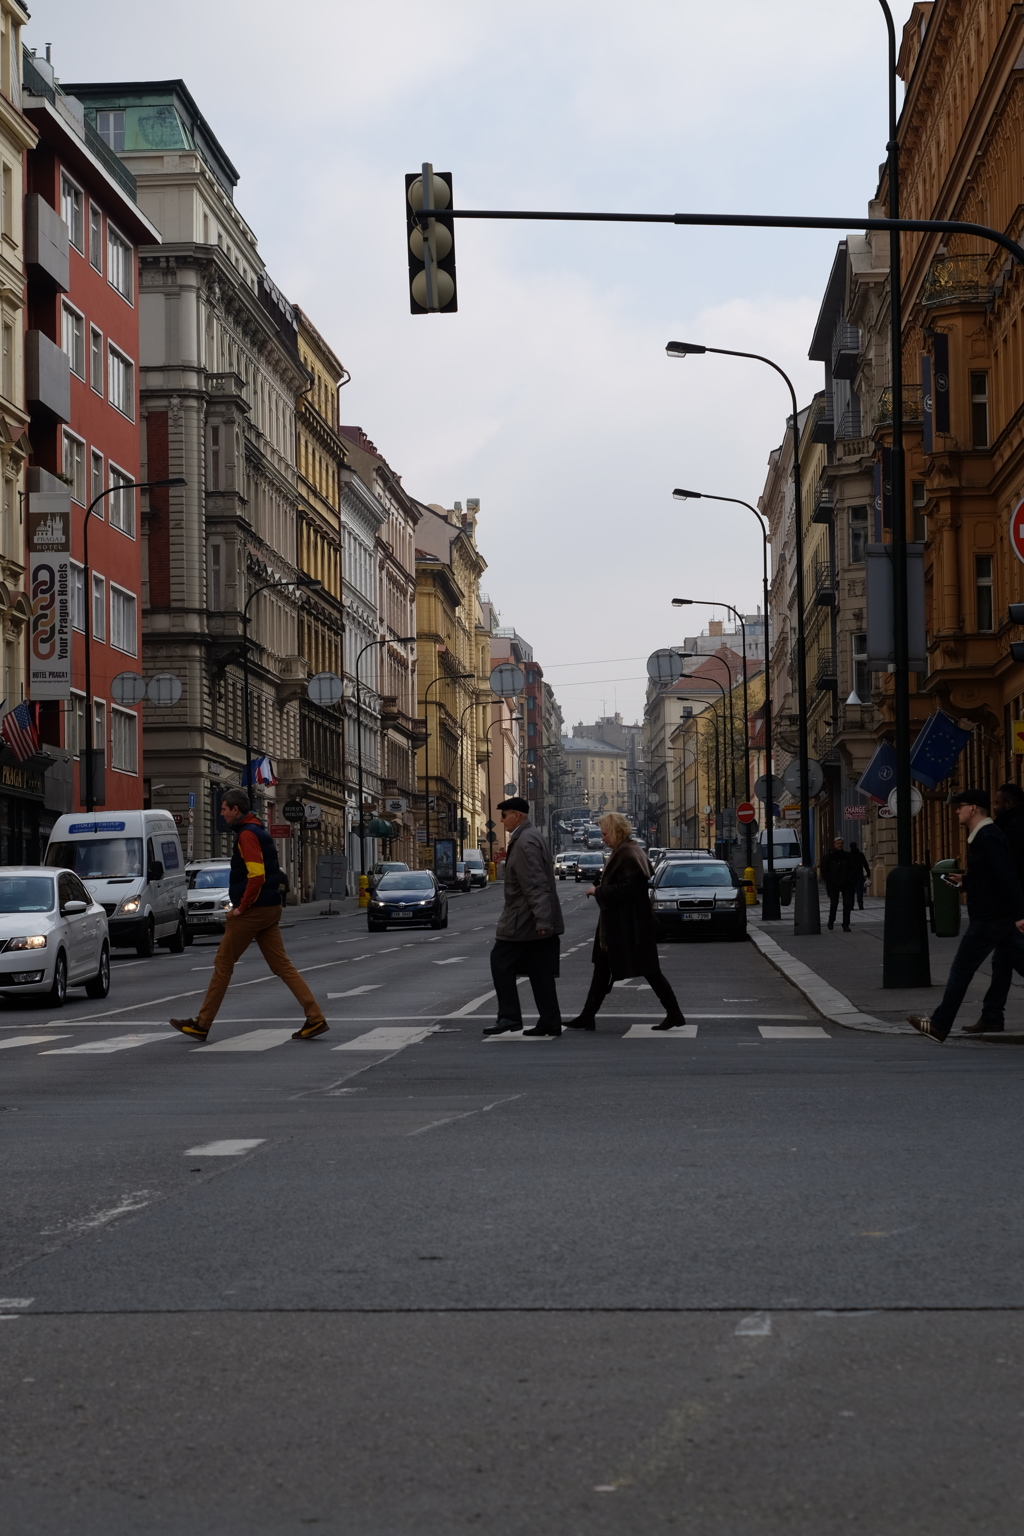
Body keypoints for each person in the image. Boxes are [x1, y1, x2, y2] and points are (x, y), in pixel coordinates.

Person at [170, 789, 328, 1043]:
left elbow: (256, 876)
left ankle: (202, 1023)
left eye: (224, 808)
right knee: (282, 966)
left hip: (253, 911)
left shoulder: (246, 835)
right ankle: (315, 1017)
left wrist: (241, 908)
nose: (221, 813)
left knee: (223, 965)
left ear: (235, 810)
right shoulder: (258, 830)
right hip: (270, 907)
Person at [908, 788, 1024, 1042]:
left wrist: (1019, 914)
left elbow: (1007, 875)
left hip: (990, 919)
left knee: (961, 969)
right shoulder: (982, 835)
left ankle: (939, 1025)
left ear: (973, 808)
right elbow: (991, 875)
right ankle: (983, 1018)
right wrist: (966, 880)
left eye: (960, 806)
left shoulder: (988, 835)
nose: (957, 811)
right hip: (999, 919)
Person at [566, 811, 685, 1032]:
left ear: (614, 831)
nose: (602, 838)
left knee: (650, 970)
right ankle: (587, 1015)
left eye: (604, 834)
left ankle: (675, 1013)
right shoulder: (624, 851)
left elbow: (629, 888)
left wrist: (598, 891)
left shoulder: (628, 853)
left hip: (630, 925)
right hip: (619, 924)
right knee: (602, 969)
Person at [485, 797, 564, 1038]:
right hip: (533, 918)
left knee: (500, 961)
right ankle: (550, 1021)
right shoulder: (528, 837)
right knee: (540, 972)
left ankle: (509, 1016)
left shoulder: (525, 841)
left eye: (505, 814)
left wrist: (542, 920)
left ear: (517, 815)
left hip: (524, 919)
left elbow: (535, 883)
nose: (501, 820)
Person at [964, 782, 1024, 1033]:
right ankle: (991, 1015)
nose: (995, 807)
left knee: (1001, 960)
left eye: (997, 803)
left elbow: (1009, 873)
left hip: (1011, 909)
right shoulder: (1006, 827)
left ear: (1009, 804)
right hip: (1009, 908)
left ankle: (991, 1015)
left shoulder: (1013, 830)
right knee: (1003, 961)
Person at [820, 836, 856, 931]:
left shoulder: (847, 856)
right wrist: (829, 879)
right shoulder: (829, 856)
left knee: (847, 904)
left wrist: (849, 878)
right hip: (833, 883)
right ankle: (831, 920)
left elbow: (852, 869)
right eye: (838, 843)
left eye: (841, 843)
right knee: (834, 903)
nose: (840, 845)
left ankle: (846, 924)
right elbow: (824, 870)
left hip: (845, 883)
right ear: (834, 845)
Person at [848, 840, 870, 910]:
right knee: (859, 890)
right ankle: (860, 904)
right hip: (859, 875)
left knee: (851, 891)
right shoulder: (860, 855)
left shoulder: (848, 855)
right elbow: (865, 864)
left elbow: (845, 866)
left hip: (851, 876)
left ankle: (851, 905)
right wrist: (868, 873)